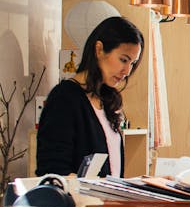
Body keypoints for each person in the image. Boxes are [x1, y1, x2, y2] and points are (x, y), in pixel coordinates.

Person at [36, 16, 144, 177]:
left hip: (105, 201)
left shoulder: (107, 101)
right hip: (79, 202)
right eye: (123, 60)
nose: (127, 71)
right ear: (99, 49)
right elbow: (52, 170)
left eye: (132, 63)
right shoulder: (64, 98)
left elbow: (112, 176)